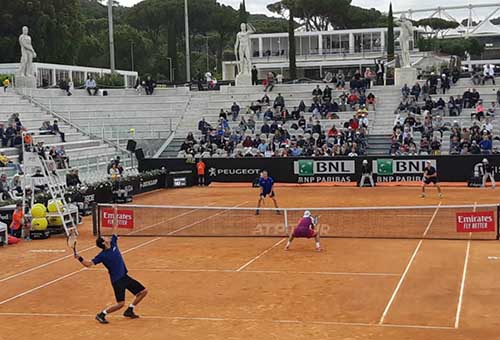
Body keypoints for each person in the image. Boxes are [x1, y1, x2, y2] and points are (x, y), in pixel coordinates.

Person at [75, 206, 148, 324]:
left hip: (125, 277)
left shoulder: (113, 242)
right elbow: (88, 264)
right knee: (120, 303)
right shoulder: (102, 255)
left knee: (143, 292)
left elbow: (115, 226)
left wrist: (115, 212)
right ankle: (101, 314)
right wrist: (79, 258)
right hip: (117, 281)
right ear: (104, 243)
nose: (107, 237)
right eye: (105, 237)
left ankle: (130, 310)